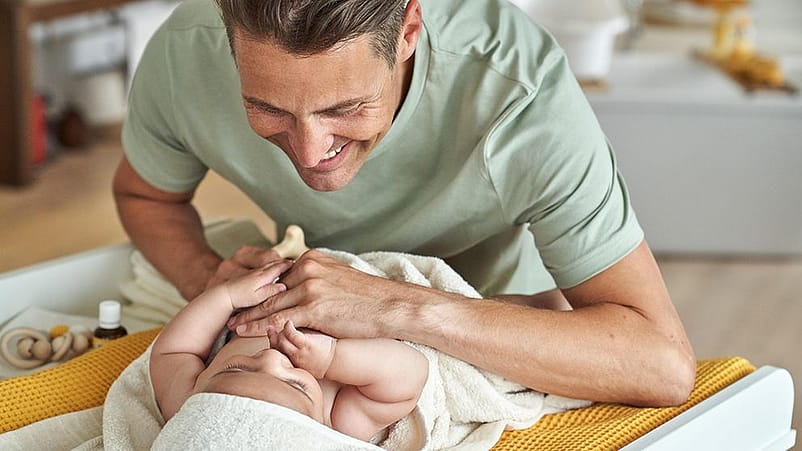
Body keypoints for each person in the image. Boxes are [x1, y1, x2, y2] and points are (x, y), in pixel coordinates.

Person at [114, 0, 696, 407]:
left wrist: (399, 308)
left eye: (345, 108)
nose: (313, 153)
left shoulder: (519, 97)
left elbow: (660, 363)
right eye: (269, 110)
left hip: (504, 316)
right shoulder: (182, 56)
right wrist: (204, 281)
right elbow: (145, 195)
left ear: (409, 30)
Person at [150, 259, 428, 443]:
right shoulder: (338, 423)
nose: (272, 357)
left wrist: (227, 297)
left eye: (239, 368)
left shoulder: (189, 403)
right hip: (359, 298)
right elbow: (408, 375)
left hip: (272, 292)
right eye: (295, 384)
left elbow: (174, 351)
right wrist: (332, 359)